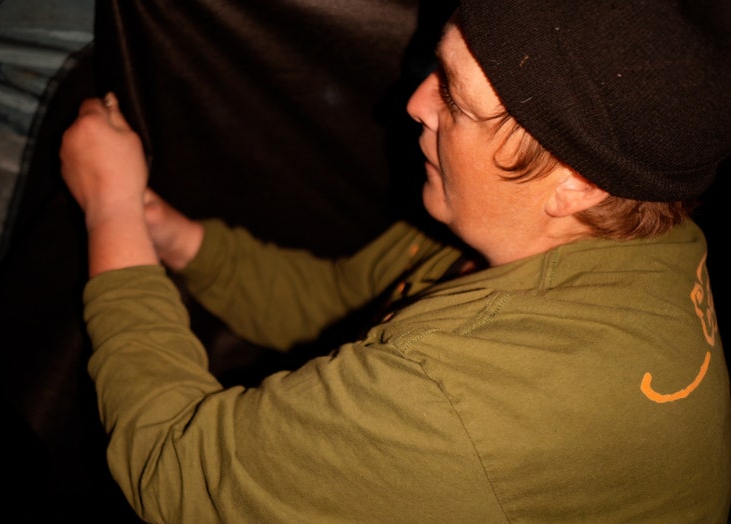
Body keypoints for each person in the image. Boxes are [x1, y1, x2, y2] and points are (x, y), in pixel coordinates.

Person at [59, 0, 731, 521]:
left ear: (579, 181)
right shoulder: (592, 230)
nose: (414, 103)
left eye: (456, 99)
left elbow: (175, 469)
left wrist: (110, 213)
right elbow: (337, 299)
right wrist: (165, 234)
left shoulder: (462, 401)